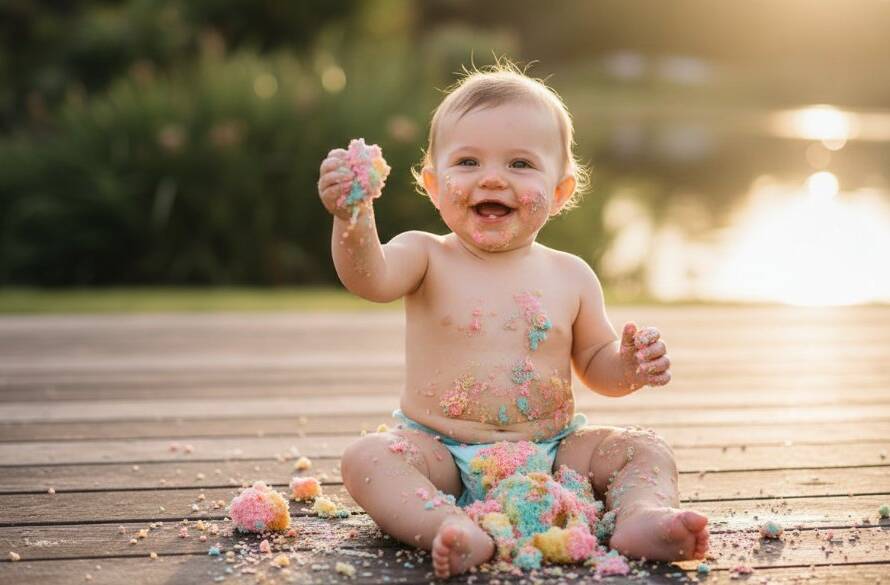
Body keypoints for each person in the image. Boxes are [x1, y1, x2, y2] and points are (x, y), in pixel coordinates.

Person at [318, 61, 708, 578]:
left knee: (644, 448)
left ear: (561, 191)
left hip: (553, 454)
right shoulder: (425, 255)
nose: (493, 178)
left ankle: (641, 517)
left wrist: (629, 366)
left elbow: (596, 364)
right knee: (367, 457)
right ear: (434, 185)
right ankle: (446, 526)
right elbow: (369, 277)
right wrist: (354, 216)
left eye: (521, 164)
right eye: (468, 162)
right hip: (439, 453)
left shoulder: (570, 275)